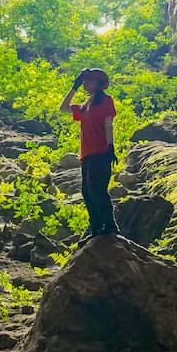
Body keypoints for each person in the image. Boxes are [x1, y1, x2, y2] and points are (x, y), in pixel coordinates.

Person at [59, 68, 119, 238]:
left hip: (101, 152)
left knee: (97, 190)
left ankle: (110, 227)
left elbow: (108, 124)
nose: (86, 83)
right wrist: (74, 86)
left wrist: (110, 146)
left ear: (99, 84)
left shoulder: (106, 101)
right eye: (85, 80)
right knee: (87, 192)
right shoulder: (85, 105)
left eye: (89, 80)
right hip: (86, 154)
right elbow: (63, 108)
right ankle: (96, 228)